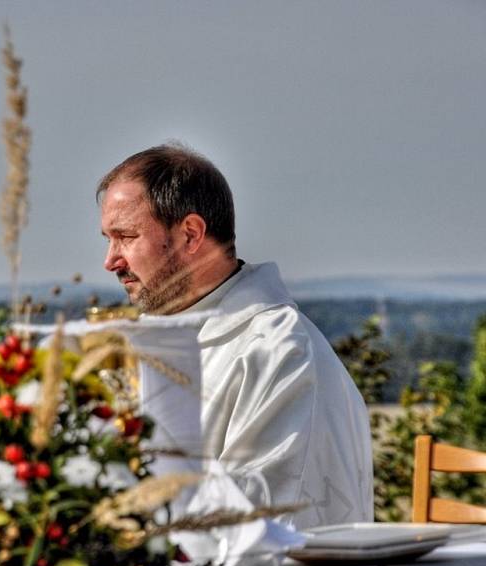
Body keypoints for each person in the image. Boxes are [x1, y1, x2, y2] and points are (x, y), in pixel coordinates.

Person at [98, 143, 373, 529]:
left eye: (126, 236)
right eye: (108, 239)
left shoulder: (279, 352)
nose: (111, 260)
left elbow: (257, 515)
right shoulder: (151, 343)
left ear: (191, 234)